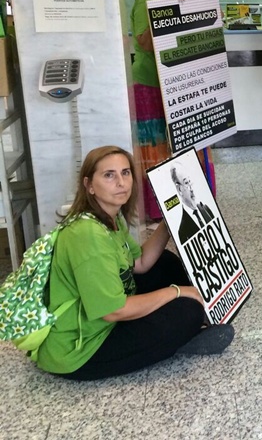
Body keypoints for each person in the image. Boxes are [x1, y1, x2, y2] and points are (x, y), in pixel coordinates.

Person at [36, 146, 234, 381]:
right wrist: (176, 292)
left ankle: (181, 329)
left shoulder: (108, 216)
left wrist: (170, 221)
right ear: (89, 184)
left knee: (164, 262)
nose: (121, 182)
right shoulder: (87, 236)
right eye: (109, 175)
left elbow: (139, 263)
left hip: (103, 319)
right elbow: (113, 310)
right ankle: (181, 339)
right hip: (82, 350)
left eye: (125, 173)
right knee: (187, 312)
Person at [130, 0, 215, 222]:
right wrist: (165, 8)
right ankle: (159, 207)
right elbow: (143, 43)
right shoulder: (147, 1)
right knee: (157, 145)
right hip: (151, 84)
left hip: (181, 84)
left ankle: (196, 196)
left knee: (186, 140)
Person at [171, 160, 215, 244]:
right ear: (179, 189)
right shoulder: (182, 230)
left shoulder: (206, 209)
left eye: (190, 181)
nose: (191, 188)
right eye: (186, 183)